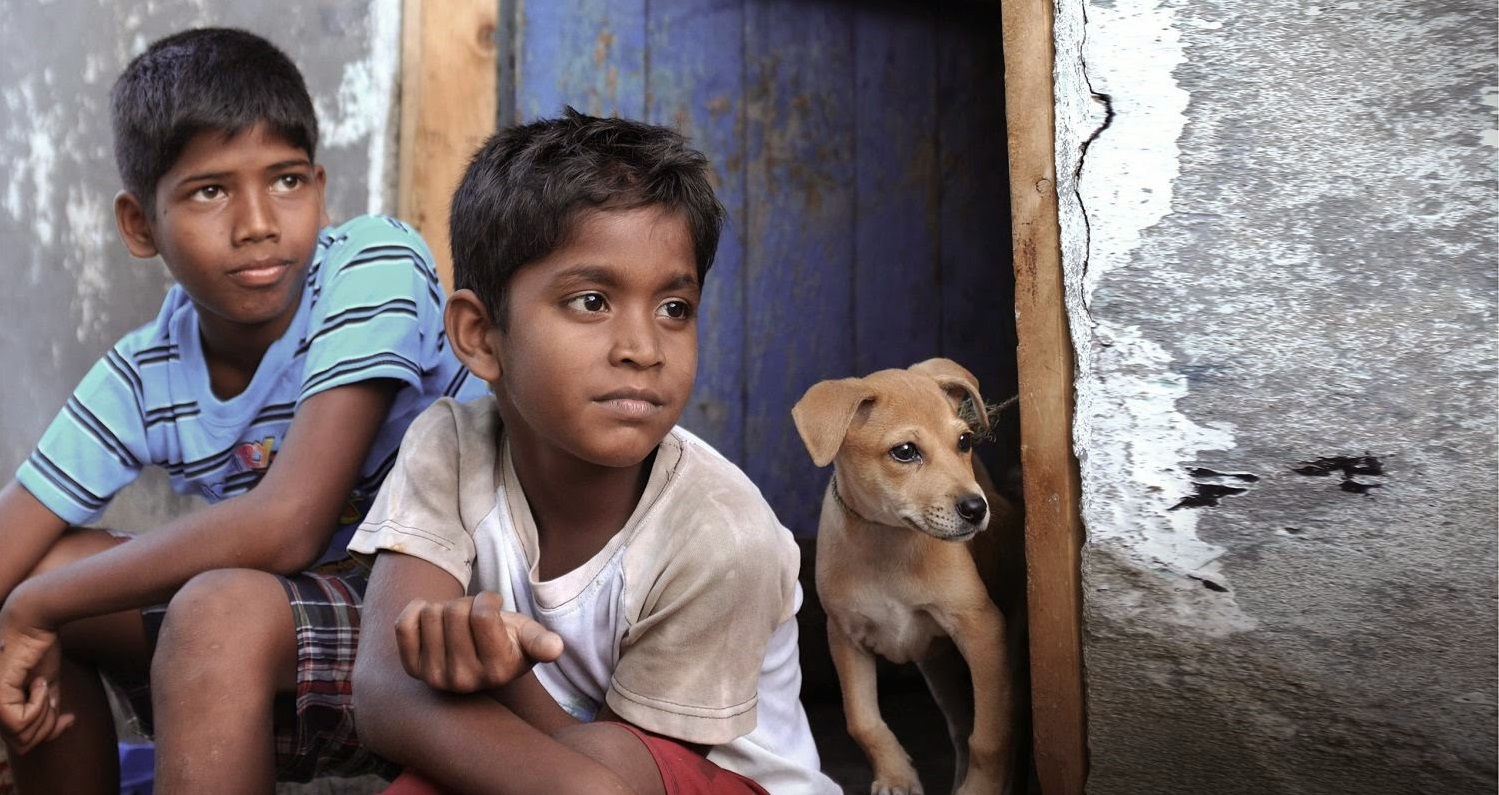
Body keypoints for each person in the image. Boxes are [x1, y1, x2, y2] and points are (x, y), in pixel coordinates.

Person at [0, 27, 485, 793]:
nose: (258, 221)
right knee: (45, 579)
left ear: (320, 189)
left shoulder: (373, 263)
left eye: (286, 180)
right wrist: (21, 609)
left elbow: (289, 521)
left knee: (171, 607)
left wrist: (31, 603)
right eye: (209, 190)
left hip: (456, 622)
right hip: (294, 638)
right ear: (139, 225)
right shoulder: (144, 373)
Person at [348, 108, 841, 795]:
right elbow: (381, 692)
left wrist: (501, 679)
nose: (642, 347)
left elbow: (614, 770)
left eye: (674, 308)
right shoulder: (449, 446)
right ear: (481, 336)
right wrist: (473, 677)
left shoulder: (724, 534)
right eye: (590, 300)